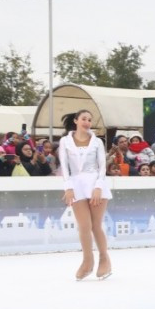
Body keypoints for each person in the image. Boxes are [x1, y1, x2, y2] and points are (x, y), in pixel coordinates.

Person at [58, 111, 113, 281]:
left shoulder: (97, 141)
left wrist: (98, 187)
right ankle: (87, 261)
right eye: (84, 119)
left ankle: (104, 259)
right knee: (84, 225)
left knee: (95, 225)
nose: (87, 122)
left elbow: (102, 166)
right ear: (76, 121)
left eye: (89, 120)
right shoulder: (65, 141)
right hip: (76, 185)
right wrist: (68, 187)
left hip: (95, 183)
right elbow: (64, 166)